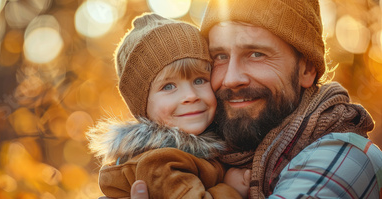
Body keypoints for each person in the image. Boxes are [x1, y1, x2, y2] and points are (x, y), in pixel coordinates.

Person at [127, 0, 382, 198]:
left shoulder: (344, 156)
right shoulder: (185, 158)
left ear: (306, 70)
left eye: (257, 54)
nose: (231, 79)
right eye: (219, 56)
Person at [87, 13, 250, 199]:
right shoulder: (160, 161)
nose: (190, 96)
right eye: (168, 86)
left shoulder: (205, 145)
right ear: (142, 106)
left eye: (199, 80)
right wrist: (231, 190)